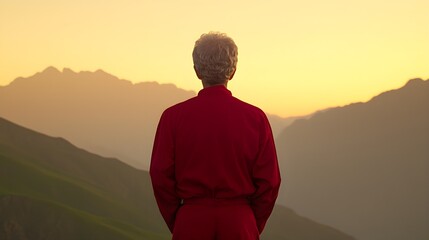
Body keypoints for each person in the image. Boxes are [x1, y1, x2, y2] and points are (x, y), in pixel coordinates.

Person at [150, 32, 281, 240]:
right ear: (233, 71)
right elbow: (270, 182)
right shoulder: (255, 118)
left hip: (190, 223)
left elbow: (159, 175)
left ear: (196, 71)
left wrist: (180, 218)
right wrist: (248, 221)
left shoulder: (172, 117)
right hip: (240, 223)